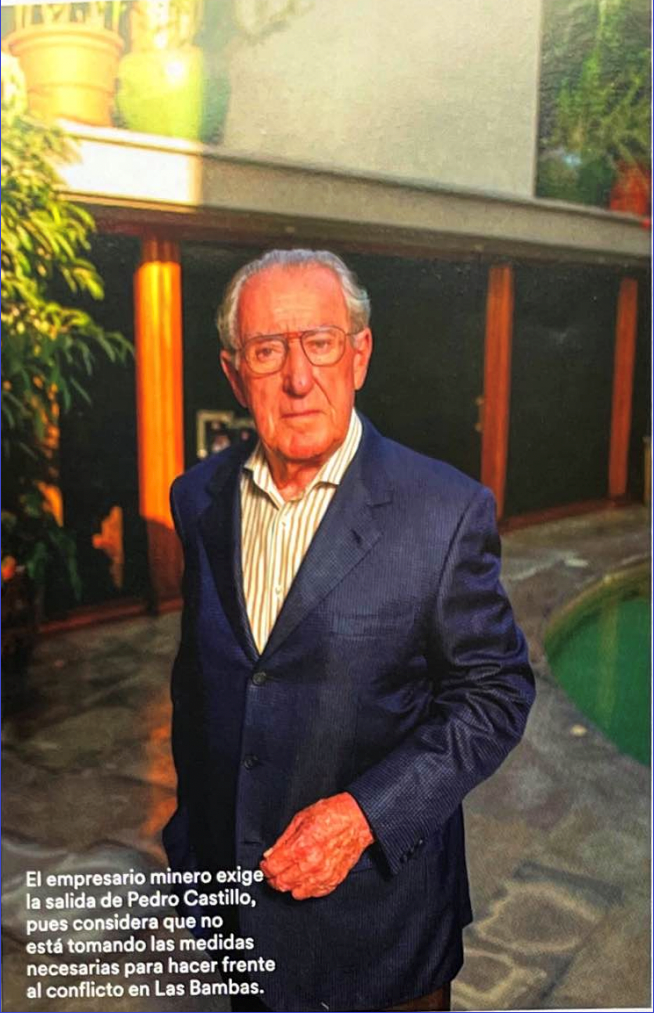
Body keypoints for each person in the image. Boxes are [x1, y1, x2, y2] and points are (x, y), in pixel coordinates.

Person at [164, 248, 535, 1013]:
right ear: (234, 373)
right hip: (242, 918)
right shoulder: (197, 497)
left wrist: (366, 815)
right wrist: (192, 842)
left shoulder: (444, 511)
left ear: (359, 355)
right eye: (268, 351)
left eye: (321, 342)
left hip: (381, 936)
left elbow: (495, 694)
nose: (298, 378)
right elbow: (204, 679)